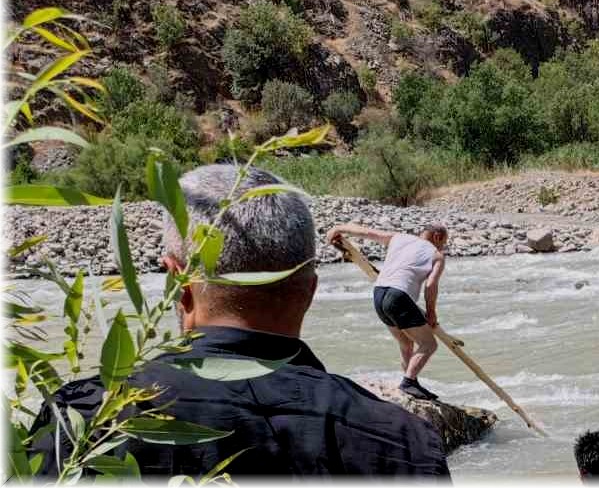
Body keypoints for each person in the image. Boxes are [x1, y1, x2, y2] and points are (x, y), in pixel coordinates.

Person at [31, 164, 449, 477]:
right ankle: (409, 378)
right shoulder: (404, 444)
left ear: (179, 283)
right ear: (310, 292)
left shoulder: (81, 421)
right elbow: (429, 290)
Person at [326, 222, 448, 401]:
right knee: (429, 344)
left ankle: (411, 383)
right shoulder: (436, 255)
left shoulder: (399, 238)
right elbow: (430, 286)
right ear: (437, 237)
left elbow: (367, 231)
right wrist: (431, 312)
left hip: (379, 293)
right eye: (444, 242)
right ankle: (408, 382)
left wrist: (338, 228)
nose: (443, 246)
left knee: (406, 344)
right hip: (398, 297)